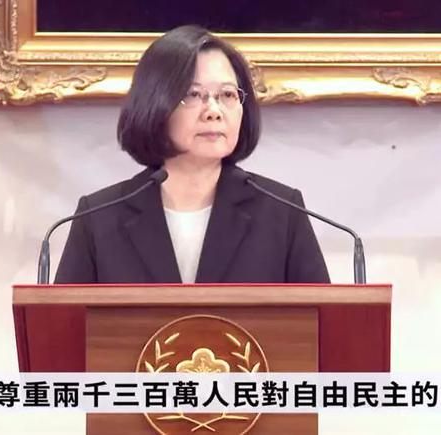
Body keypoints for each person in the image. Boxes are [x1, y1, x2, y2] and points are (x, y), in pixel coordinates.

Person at [55, 25, 329, 285]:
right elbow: (65, 319)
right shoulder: (98, 219)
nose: (213, 111)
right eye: (193, 94)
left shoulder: (282, 213)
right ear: (154, 103)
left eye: (227, 94)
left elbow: (320, 317)